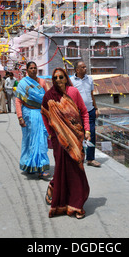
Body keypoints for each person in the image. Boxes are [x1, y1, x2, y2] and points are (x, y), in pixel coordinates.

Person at [41, 67, 91, 219]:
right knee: (62, 169)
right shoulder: (49, 96)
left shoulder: (73, 92)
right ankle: (68, 203)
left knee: (76, 169)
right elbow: (44, 114)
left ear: (66, 78)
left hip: (75, 138)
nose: (58, 80)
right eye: (55, 78)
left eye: (61, 77)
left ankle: (75, 202)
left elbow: (83, 112)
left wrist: (87, 130)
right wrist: (51, 133)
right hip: (59, 140)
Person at [15, 61, 51, 179]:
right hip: (28, 114)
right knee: (29, 140)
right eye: (31, 68)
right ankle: (29, 165)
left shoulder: (42, 82)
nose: (33, 70)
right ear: (27, 70)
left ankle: (41, 167)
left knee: (40, 140)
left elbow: (46, 98)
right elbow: (18, 101)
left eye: (35, 68)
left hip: (40, 113)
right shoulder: (23, 83)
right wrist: (20, 117)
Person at [70, 61, 101, 167]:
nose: (85, 68)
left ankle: (91, 159)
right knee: (78, 135)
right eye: (82, 67)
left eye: (85, 66)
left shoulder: (90, 79)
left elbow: (91, 94)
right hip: (77, 113)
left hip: (90, 111)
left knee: (91, 134)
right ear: (77, 70)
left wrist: (96, 108)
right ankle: (79, 157)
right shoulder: (71, 81)